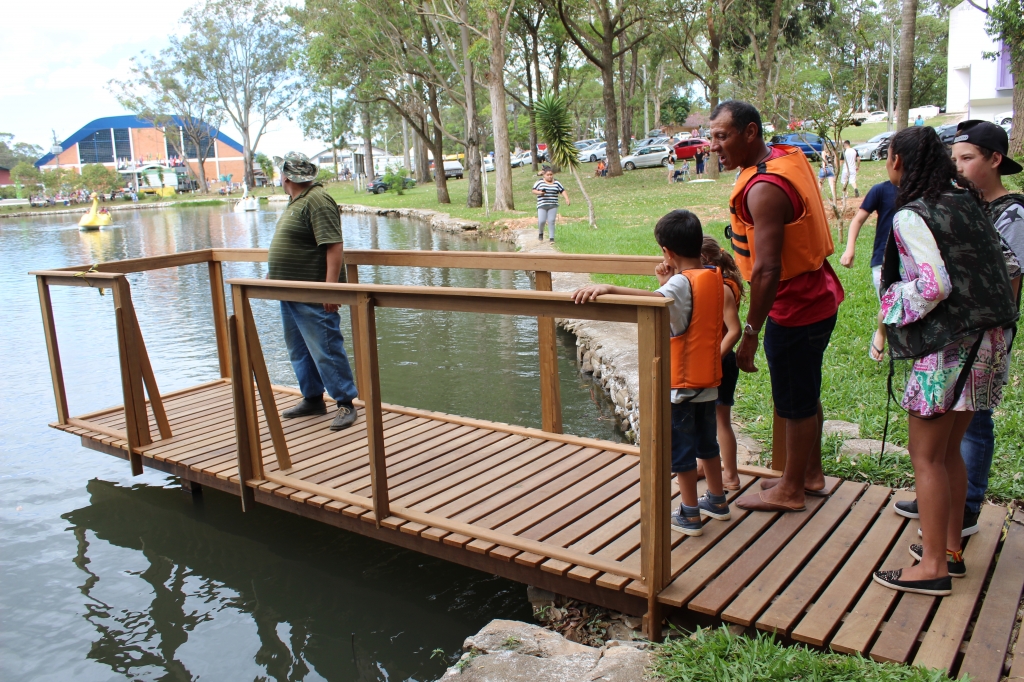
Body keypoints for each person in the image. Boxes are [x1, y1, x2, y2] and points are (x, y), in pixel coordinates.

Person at [870, 126, 1016, 596]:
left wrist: (891, 301)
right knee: (950, 450)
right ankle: (949, 551)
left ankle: (931, 566)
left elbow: (934, 285)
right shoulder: (967, 200)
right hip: (990, 341)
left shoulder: (912, 214)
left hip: (949, 349)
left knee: (926, 455)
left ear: (897, 163)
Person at [710, 100, 844, 513]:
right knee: (803, 389)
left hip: (796, 306)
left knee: (793, 399)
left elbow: (767, 269)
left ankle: (791, 489)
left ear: (750, 133)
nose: (715, 145)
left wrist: (749, 333)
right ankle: (809, 473)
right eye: (712, 136)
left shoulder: (765, 188)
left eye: (723, 136)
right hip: (820, 294)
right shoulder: (784, 156)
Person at [571, 210, 731, 536]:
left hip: (682, 386)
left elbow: (655, 302)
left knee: (682, 452)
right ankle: (716, 500)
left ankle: (689, 514)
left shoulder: (680, 284)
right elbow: (679, 307)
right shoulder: (712, 276)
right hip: (707, 384)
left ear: (667, 252)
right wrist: (665, 282)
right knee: (706, 443)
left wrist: (609, 288)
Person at [267, 152, 359, 431]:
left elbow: (334, 246)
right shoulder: (296, 201)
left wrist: (329, 290)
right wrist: (275, 273)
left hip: (312, 292)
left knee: (326, 348)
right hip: (289, 290)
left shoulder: (317, 200)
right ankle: (312, 398)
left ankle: (345, 403)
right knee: (299, 349)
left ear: (285, 176)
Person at [701, 236, 744, 490]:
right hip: (708, 361)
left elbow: (734, 330)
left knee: (720, 419)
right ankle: (703, 464)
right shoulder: (716, 282)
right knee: (703, 417)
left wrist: (714, 359)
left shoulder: (723, 287)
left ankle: (730, 475)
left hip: (720, 361)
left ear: (705, 260)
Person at [839, 178, 899, 361]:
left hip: (915, 259)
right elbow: (857, 220)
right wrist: (850, 248)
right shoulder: (881, 189)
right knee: (890, 305)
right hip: (883, 259)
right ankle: (881, 333)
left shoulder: (924, 186)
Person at [532, 169, 570, 242]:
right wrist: (540, 193)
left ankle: (551, 238)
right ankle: (540, 233)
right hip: (542, 205)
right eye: (548, 175)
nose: (550, 176)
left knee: (551, 221)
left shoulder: (557, 183)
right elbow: (533, 190)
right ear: (544, 175)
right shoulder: (540, 182)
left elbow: (562, 190)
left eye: (551, 175)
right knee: (542, 221)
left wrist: (567, 198)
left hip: (553, 205)